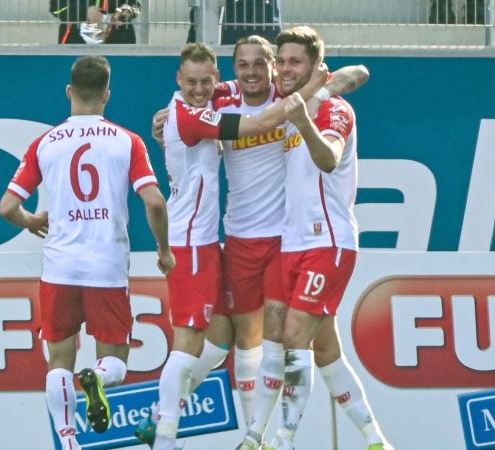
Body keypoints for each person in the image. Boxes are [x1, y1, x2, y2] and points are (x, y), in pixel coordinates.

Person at [145, 36, 371, 438]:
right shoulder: (222, 96)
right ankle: (167, 416)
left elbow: (359, 73)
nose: (250, 73)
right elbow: (187, 101)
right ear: (232, 71)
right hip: (241, 237)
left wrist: (324, 86)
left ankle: (258, 437)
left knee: (276, 345)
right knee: (226, 344)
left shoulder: (289, 91)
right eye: (242, 65)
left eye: (259, 64)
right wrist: (165, 121)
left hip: (288, 240)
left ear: (272, 67)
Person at [0, 55, 175, 450]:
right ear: (107, 96)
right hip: (106, 267)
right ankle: (97, 375)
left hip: (60, 267)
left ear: (69, 92)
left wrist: (31, 221)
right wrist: (164, 251)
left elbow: (7, 208)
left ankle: (68, 440)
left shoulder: (45, 143)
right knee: (115, 360)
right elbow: (156, 203)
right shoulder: (127, 141)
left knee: (58, 360)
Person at [239, 26, 390, 450]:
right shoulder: (288, 105)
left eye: (294, 62)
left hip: (329, 242)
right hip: (290, 244)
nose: (284, 69)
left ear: (314, 68)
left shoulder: (334, 108)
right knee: (323, 351)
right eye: (281, 61)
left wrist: (309, 111)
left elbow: (329, 158)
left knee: (293, 337)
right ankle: (375, 439)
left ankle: (278, 439)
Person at [50, 0, 141, 44]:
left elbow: (136, 7)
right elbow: (56, 9)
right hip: (76, 44)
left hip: (118, 44)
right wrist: (85, 11)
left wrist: (125, 11)